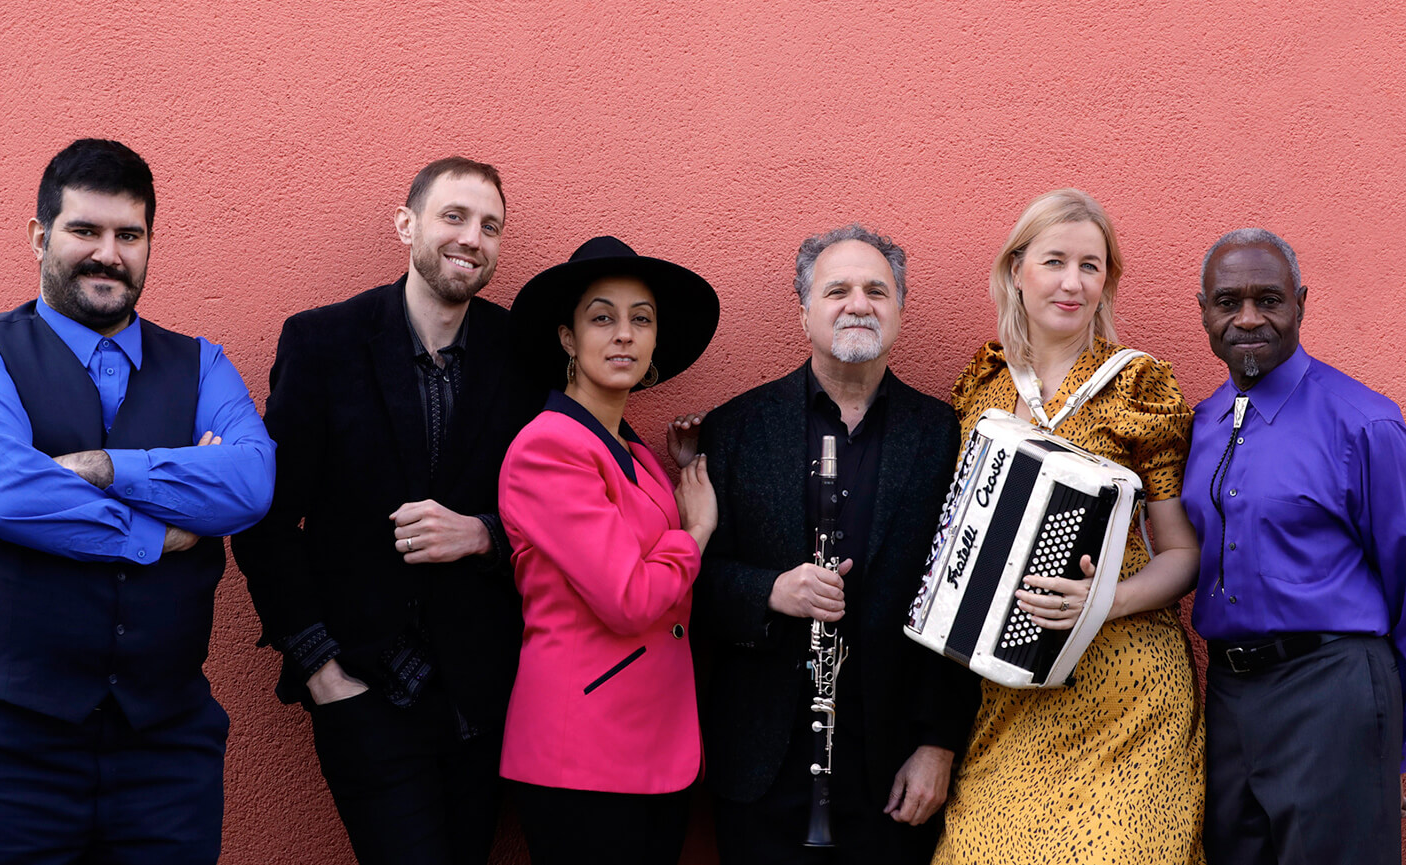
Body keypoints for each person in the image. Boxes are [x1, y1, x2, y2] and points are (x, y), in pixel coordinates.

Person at [0, 138, 275, 864]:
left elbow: (251, 482)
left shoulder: (204, 364)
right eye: (85, 231)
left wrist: (108, 467)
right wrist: (158, 531)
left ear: (148, 245)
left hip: (162, 750)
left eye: (128, 235)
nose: (108, 254)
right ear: (40, 236)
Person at [231, 157, 534, 865]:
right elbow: (265, 515)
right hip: (365, 691)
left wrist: (486, 535)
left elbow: (567, 498)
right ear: (407, 224)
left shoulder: (521, 351)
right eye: (454, 216)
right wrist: (317, 666)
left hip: (487, 701)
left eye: (490, 226)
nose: (473, 238)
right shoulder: (323, 341)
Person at [931, 189, 1204, 865]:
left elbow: (1182, 552)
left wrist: (1103, 600)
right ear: (1017, 269)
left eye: (1092, 265)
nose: (1073, 282)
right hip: (1009, 690)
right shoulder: (983, 381)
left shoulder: (1139, 384)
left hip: (1129, 697)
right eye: (1055, 261)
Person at [693, 224, 980, 864]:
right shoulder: (735, 428)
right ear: (805, 310)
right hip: (761, 760)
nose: (858, 304)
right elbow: (693, 581)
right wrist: (769, 591)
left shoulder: (946, 436)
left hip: (892, 763)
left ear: (900, 309)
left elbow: (962, 604)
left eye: (877, 290)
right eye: (838, 290)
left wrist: (938, 744)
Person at [1183, 228, 1406, 865]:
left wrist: (1389, 746)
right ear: (1204, 310)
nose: (1247, 318)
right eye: (1227, 301)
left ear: (1300, 303)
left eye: (1268, 299)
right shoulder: (1206, 422)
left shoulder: (1364, 422)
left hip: (1333, 692)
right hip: (1230, 696)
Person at [496, 235, 720, 865]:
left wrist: (673, 481)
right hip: (584, 756)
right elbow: (629, 597)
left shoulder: (636, 451)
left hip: (652, 749)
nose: (623, 334)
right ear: (568, 338)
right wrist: (695, 531)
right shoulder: (548, 449)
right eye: (603, 318)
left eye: (640, 320)